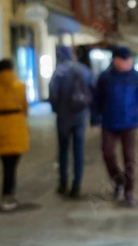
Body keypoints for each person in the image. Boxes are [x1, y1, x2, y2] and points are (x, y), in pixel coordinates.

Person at [92, 46, 138, 207]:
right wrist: (95, 119)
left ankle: (129, 191)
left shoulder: (136, 77)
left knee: (129, 157)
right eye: (125, 60)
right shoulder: (105, 77)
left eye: (130, 60)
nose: (128, 63)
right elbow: (97, 99)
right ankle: (119, 180)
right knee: (107, 154)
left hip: (129, 123)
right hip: (109, 122)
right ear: (116, 60)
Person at [49, 45, 95, 198]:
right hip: (80, 115)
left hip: (63, 116)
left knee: (63, 150)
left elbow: (53, 94)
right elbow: (92, 90)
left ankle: (63, 183)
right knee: (78, 150)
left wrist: (57, 109)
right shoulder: (83, 69)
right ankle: (76, 184)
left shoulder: (59, 71)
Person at [0, 59, 30, 211]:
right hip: (16, 127)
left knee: (6, 164)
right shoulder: (20, 87)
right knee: (12, 165)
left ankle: (8, 193)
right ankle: (8, 194)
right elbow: (25, 107)